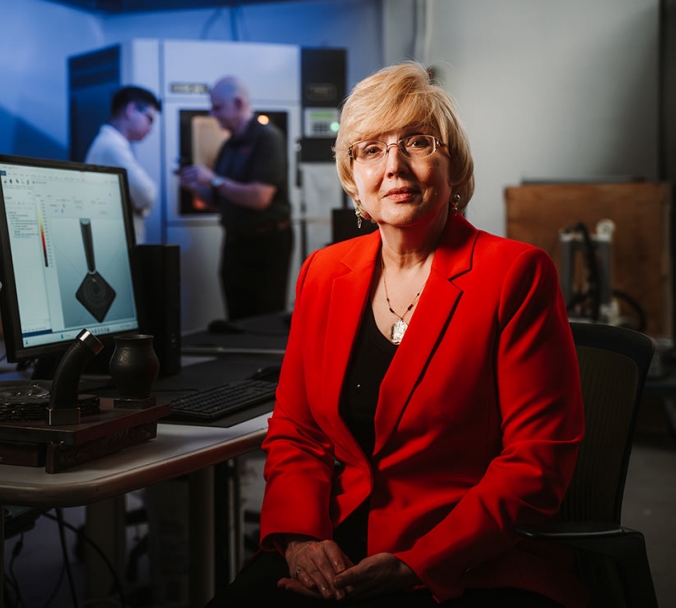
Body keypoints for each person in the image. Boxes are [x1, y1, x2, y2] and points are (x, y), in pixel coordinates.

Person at [207, 62, 586, 608]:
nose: (394, 166)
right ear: (352, 178)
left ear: (453, 166)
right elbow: (297, 429)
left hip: (466, 557)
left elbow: (537, 459)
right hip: (335, 545)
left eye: (418, 142)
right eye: (370, 149)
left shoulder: (515, 274)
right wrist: (299, 538)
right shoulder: (323, 272)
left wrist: (417, 563)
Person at [178, 76, 293, 321]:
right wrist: (195, 187)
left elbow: (259, 198)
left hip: (266, 244)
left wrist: (213, 180)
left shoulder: (267, 138)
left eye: (218, 107)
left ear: (239, 103)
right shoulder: (228, 146)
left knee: (263, 321)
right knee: (237, 317)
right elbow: (220, 201)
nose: (212, 113)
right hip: (235, 244)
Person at [84, 86, 160, 243]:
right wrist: (140, 206)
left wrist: (139, 205)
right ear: (131, 110)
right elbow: (147, 194)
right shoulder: (111, 146)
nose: (150, 129)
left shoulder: (112, 144)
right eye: (149, 119)